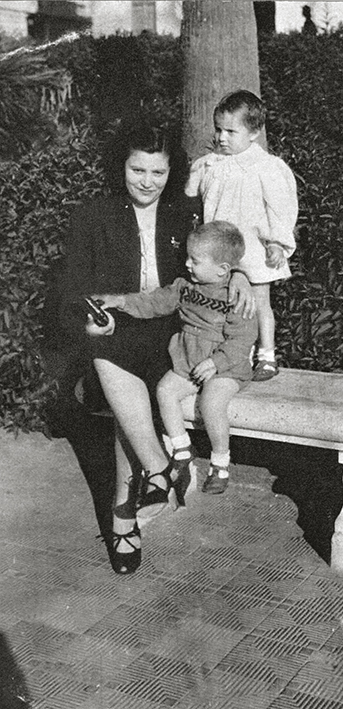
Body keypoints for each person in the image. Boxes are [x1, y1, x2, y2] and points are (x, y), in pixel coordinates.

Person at [57, 116, 254, 575]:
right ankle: (155, 472)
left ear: (171, 172)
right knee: (108, 354)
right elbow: (70, 292)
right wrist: (91, 320)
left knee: (126, 394)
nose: (147, 182)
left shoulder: (184, 213)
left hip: (175, 334)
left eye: (158, 172)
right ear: (121, 167)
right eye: (137, 170)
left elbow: (220, 254)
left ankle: (131, 505)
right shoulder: (93, 216)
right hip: (117, 330)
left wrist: (240, 275)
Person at [96, 221, 258, 496]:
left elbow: (242, 341)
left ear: (222, 269)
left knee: (212, 403)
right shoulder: (184, 288)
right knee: (165, 390)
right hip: (189, 360)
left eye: (195, 260)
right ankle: (181, 448)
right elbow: (154, 302)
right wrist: (121, 301)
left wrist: (216, 363)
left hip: (226, 368)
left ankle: (220, 463)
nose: (187, 264)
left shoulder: (237, 297)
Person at [186, 89, 298, 382]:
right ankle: (238, 355)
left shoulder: (266, 167)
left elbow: (279, 208)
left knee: (259, 303)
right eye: (218, 130)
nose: (222, 138)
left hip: (253, 249)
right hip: (220, 249)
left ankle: (267, 354)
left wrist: (277, 242)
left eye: (231, 132)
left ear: (254, 132)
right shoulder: (210, 164)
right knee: (230, 304)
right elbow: (191, 198)